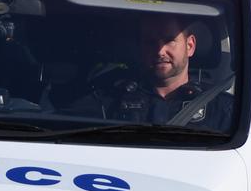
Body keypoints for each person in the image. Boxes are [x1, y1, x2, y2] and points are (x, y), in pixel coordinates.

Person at [85, 14, 235, 131]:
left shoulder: (222, 109)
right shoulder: (108, 101)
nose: (160, 51)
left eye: (169, 40)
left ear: (190, 46)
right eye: (150, 42)